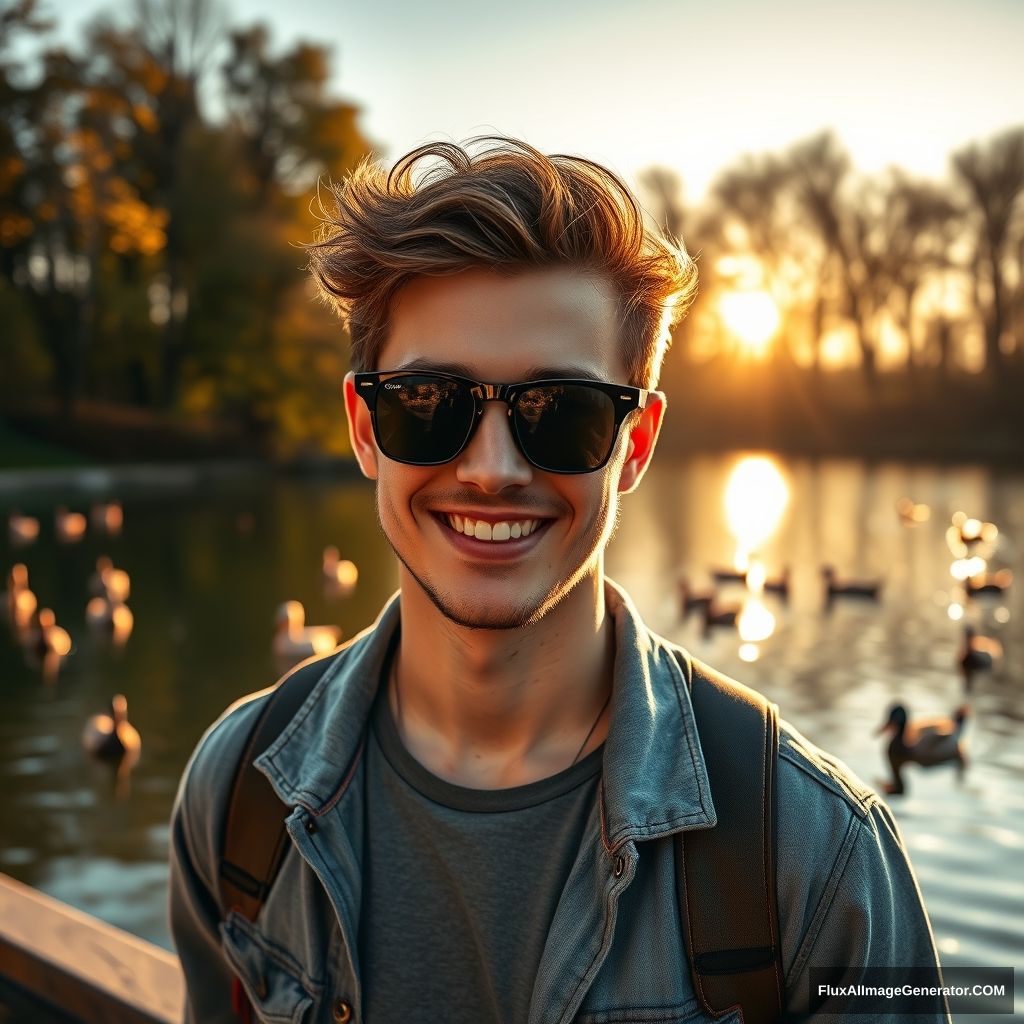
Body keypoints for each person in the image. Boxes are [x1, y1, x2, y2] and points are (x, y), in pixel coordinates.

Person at [169, 137, 949, 1023]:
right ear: (362, 426)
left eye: (562, 412)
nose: (493, 469)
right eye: (429, 404)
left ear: (636, 445)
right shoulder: (237, 795)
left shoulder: (815, 858)